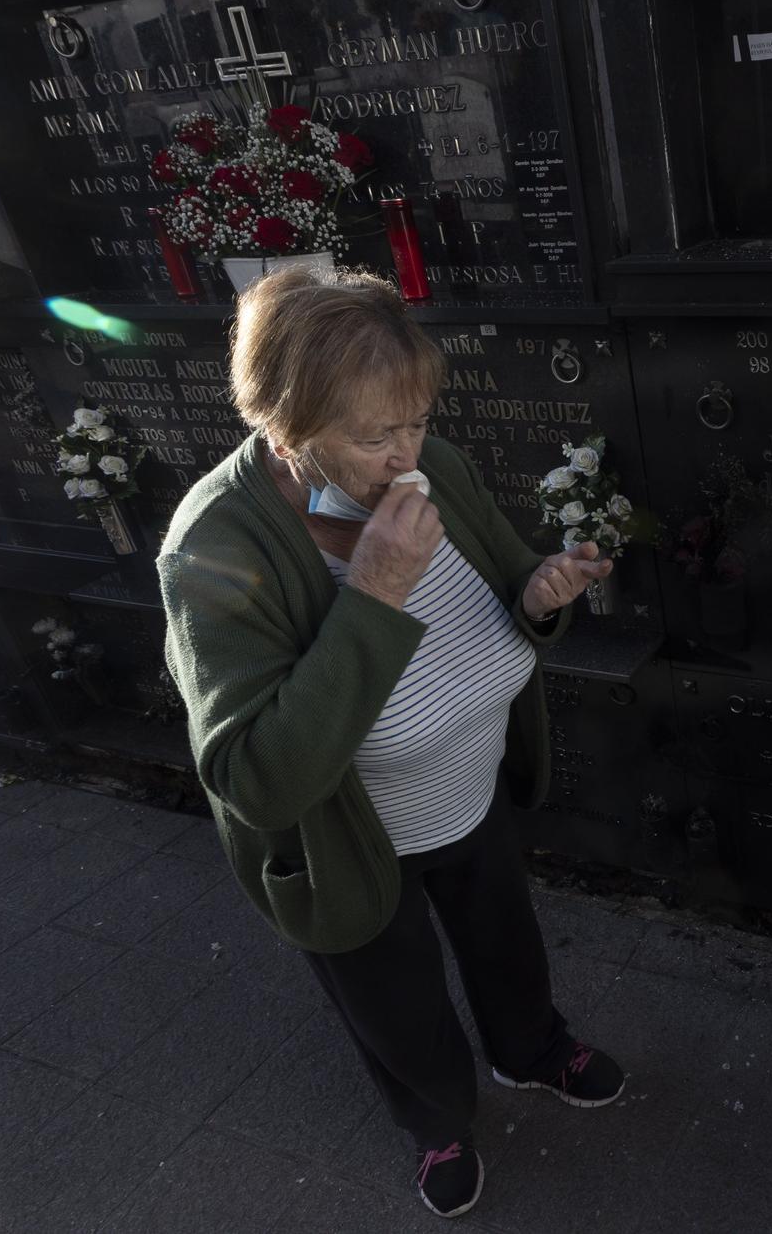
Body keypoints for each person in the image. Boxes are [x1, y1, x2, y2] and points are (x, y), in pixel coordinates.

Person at [159, 266, 620, 1219]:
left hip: (467, 788)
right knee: (393, 998)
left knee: (505, 942)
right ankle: (436, 1119)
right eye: (376, 433)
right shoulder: (215, 547)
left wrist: (542, 596)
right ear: (286, 424)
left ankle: (531, 1047)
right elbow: (258, 778)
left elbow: (507, 581)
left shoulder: (430, 463)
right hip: (345, 840)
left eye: (414, 420)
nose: (407, 451)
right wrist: (371, 593)